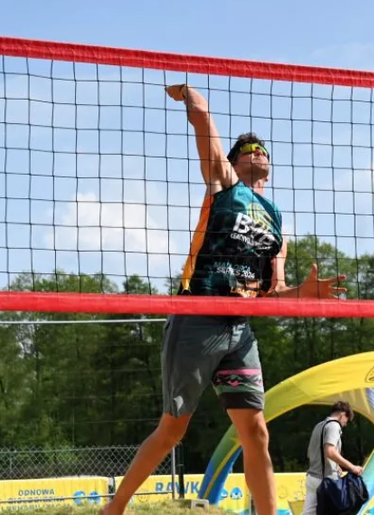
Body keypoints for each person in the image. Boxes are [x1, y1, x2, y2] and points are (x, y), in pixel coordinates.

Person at [101, 85, 346, 515]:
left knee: (257, 433)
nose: (257, 151)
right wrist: (194, 100)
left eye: (262, 149)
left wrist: (305, 294)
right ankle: (115, 507)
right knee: (173, 430)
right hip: (198, 316)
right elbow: (206, 129)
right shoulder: (224, 185)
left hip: (239, 330)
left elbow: (272, 293)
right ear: (234, 162)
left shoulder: (276, 222)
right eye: (248, 148)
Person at [302, 401, 363, 515]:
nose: (345, 424)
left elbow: (310, 453)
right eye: (346, 421)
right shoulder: (334, 425)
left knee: (308, 513)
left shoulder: (319, 425)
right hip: (325, 480)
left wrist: (335, 465)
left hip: (312, 477)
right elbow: (330, 451)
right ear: (342, 415)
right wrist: (352, 467)